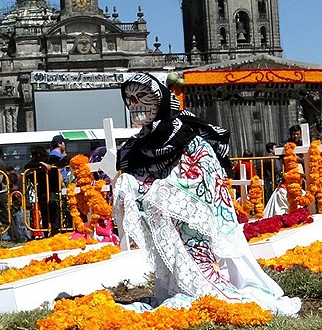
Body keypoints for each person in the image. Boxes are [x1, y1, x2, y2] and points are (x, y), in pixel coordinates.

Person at [111, 72, 300, 314]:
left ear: (159, 100)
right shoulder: (138, 143)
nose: (135, 105)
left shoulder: (185, 133)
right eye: (130, 99)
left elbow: (205, 173)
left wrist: (162, 191)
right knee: (174, 266)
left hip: (193, 218)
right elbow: (138, 173)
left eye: (142, 97)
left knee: (199, 264)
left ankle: (204, 291)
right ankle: (181, 288)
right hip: (164, 219)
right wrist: (132, 185)